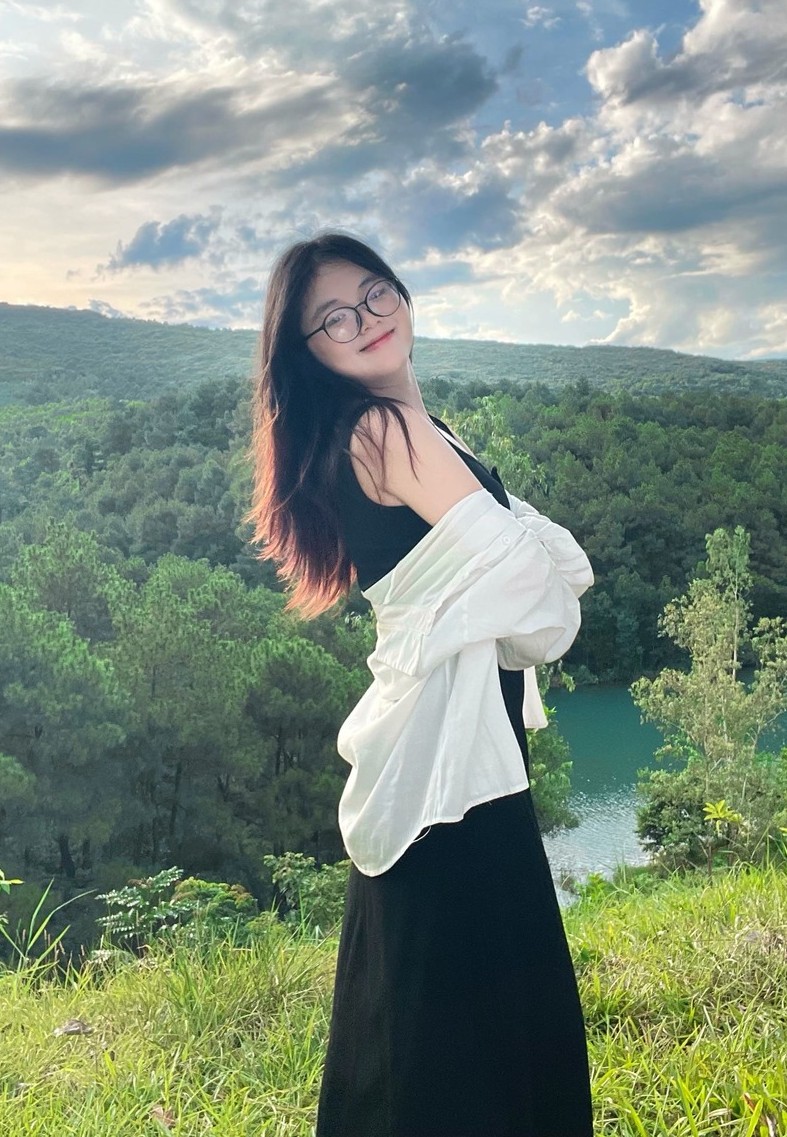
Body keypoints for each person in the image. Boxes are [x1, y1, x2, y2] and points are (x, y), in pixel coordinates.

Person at [248, 232, 595, 1137]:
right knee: (469, 1035)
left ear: (402, 291)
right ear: (310, 352)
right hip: (450, 771)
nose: (365, 319)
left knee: (417, 1022)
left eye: (374, 292)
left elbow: (546, 576)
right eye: (333, 317)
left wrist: (517, 577)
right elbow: (545, 606)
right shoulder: (389, 432)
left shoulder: (418, 428)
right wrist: (515, 579)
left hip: (443, 755)